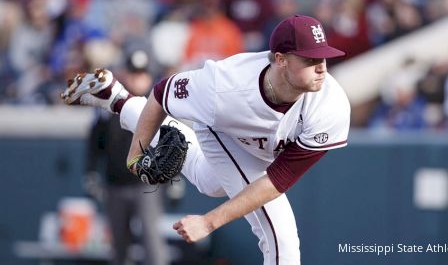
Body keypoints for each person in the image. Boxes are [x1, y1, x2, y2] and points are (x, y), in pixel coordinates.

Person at [62, 15, 350, 265]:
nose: (322, 67)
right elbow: (162, 94)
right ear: (280, 59)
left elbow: (278, 180)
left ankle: (114, 96)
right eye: (310, 59)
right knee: (281, 237)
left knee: (209, 183)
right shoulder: (223, 86)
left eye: (323, 57)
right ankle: (118, 100)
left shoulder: (330, 106)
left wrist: (209, 220)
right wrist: (134, 154)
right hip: (221, 128)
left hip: (260, 149)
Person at [85, 51, 168, 265]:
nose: (138, 78)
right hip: (115, 183)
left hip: (147, 185)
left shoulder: (158, 105)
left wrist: (175, 180)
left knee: (152, 241)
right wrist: (92, 171)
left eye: (142, 74)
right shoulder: (111, 104)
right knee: (119, 245)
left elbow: (171, 144)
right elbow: (96, 141)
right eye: (133, 73)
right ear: (125, 74)